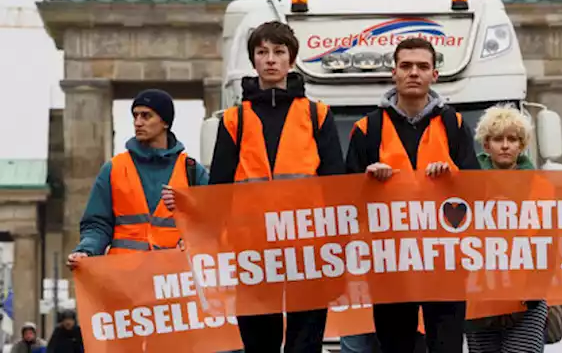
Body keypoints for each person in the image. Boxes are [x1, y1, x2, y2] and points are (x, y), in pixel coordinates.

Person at [208, 21, 346, 353]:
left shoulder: (317, 115)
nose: (271, 59)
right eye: (262, 52)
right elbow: (218, 191)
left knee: (305, 346)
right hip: (252, 256)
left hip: (309, 253)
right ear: (253, 60)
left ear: (292, 60)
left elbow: (336, 186)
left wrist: (339, 249)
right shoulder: (233, 119)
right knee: (259, 347)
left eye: (279, 52)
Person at [348, 37, 480, 353]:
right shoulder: (367, 128)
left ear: (435, 74)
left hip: (445, 263)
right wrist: (367, 182)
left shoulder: (454, 124)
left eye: (422, 66)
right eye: (406, 66)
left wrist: (453, 177)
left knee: (447, 347)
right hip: (390, 265)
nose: (414, 73)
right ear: (394, 72)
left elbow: (478, 190)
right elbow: (345, 202)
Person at [66, 89, 208, 266]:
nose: (138, 123)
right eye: (135, 116)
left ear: (165, 122)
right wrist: (86, 251)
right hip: (126, 281)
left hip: (173, 280)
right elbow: (97, 224)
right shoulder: (113, 169)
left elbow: (212, 223)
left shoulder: (192, 171)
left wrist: (194, 241)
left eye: (146, 116)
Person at [464, 104, 549, 353]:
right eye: (497, 138)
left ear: (521, 145)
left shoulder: (542, 187)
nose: (505, 145)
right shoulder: (466, 184)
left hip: (527, 299)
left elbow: (550, 243)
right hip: (479, 296)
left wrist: (537, 287)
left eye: (512, 139)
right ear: (485, 144)